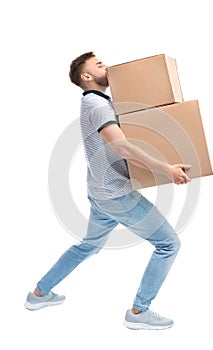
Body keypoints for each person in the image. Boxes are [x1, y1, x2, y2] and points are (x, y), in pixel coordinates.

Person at [24, 52, 191, 330]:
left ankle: (39, 294)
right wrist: (166, 169)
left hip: (100, 193)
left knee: (88, 246)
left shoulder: (98, 102)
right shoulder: (97, 105)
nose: (107, 66)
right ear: (87, 77)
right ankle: (139, 312)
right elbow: (122, 147)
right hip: (116, 195)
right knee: (168, 245)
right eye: (99, 65)